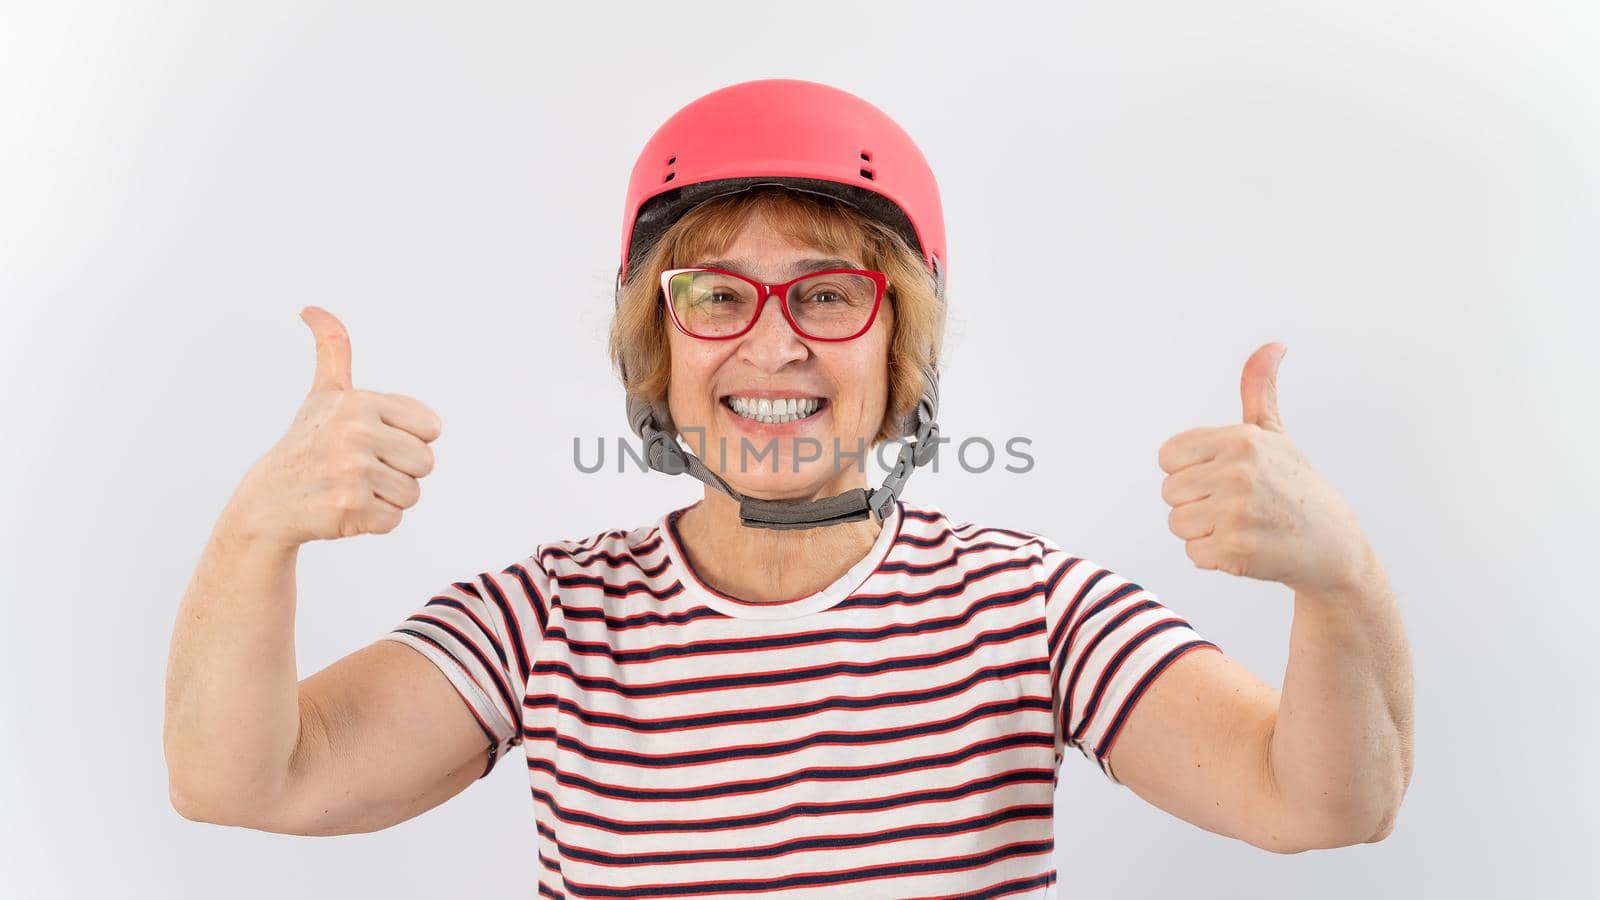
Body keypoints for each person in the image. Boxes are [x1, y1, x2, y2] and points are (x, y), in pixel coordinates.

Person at [164, 79, 1414, 897]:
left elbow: (1318, 804)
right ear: (659, 344)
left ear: (897, 346)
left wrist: (1339, 576)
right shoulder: (541, 621)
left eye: (826, 292)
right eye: (716, 295)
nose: (772, 347)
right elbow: (242, 781)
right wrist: (253, 533)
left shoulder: (1030, 608)